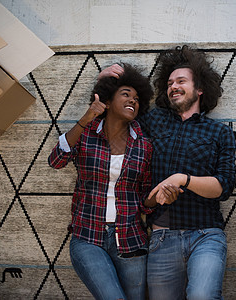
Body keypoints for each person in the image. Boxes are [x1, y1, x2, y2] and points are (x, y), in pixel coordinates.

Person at [99, 45, 236, 300]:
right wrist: (104, 84)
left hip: (206, 235)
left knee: (202, 296)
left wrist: (181, 179)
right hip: (162, 237)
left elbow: (224, 186)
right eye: (170, 82)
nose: (174, 86)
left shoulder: (220, 133)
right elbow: (113, 123)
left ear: (200, 88)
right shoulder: (152, 121)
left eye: (181, 81)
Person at [48, 63, 156, 300]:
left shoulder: (144, 145)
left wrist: (156, 198)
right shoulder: (86, 133)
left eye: (137, 98)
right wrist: (87, 117)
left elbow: (145, 199)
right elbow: (56, 160)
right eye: (126, 94)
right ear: (107, 101)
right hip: (88, 237)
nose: (133, 101)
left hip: (130, 240)